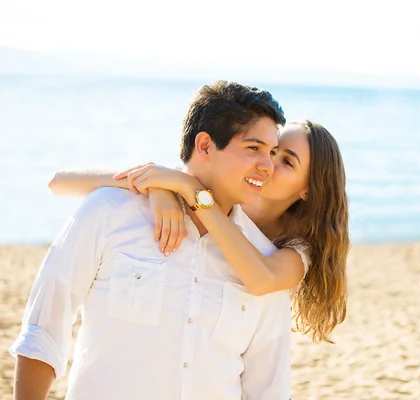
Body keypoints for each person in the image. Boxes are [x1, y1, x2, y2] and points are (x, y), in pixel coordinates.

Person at [10, 80, 293, 400]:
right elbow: (44, 330)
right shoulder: (108, 213)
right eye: (253, 148)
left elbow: (267, 389)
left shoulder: (261, 261)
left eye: (272, 152)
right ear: (205, 146)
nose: (267, 166)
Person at [49, 119, 350, 343]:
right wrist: (156, 187)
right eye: (271, 149)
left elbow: (263, 278)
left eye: (286, 161)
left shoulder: (298, 246)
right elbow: (60, 182)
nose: (267, 163)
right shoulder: (227, 189)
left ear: (308, 190)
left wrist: (190, 190)